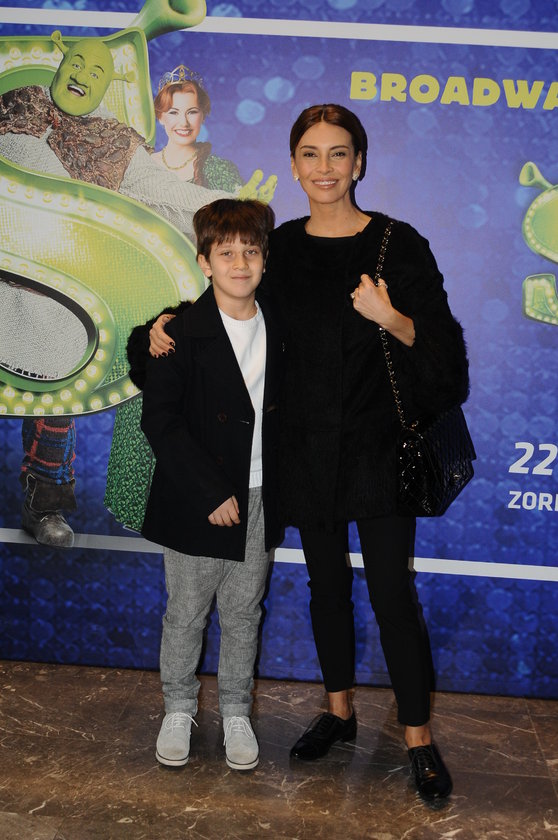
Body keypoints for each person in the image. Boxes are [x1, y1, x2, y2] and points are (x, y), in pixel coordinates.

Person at [142, 103, 470, 802]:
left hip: (379, 452)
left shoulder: (398, 244)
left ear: (360, 163)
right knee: (327, 589)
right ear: (293, 166)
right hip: (307, 454)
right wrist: (158, 327)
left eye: (338, 153)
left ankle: (417, 736)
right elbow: (222, 311)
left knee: (391, 594)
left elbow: (447, 360)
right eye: (311, 154)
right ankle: (338, 711)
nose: (325, 168)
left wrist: (392, 317)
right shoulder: (281, 247)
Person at [0, 31, 275, 547]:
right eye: (77, 63)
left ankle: (47, 500)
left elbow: (165, 191)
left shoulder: (113, 139)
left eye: (97, 71)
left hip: (64, 290)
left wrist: (232, 202)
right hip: (8, 265)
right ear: (60, 64)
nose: (83, 75)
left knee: (60, 376)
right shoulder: (19, 103)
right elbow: (24, 163)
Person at [139, 198, 283, 770]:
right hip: (198, 498)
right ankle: (178, 708)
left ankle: (236, 712)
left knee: (245, 612)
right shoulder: (178, 332)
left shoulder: (282, 324)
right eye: (226, 253)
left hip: (262, 495)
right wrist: (210, 491)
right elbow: (161, 421)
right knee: (186, 612)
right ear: (204, 262)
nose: (239, 264)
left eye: (251, 252)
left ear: (265, 259)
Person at [104, 66, 244, 531]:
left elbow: (230, 244)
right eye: (173, 112)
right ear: (160, 116)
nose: (183, 122)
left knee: (195, 409)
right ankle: (135, 505)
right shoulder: (136, 165)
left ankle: (197, 501)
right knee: (142, 403)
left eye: (192, 111)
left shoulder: (220, 172)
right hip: (140, 296)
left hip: (196, 303)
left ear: (204, 114)